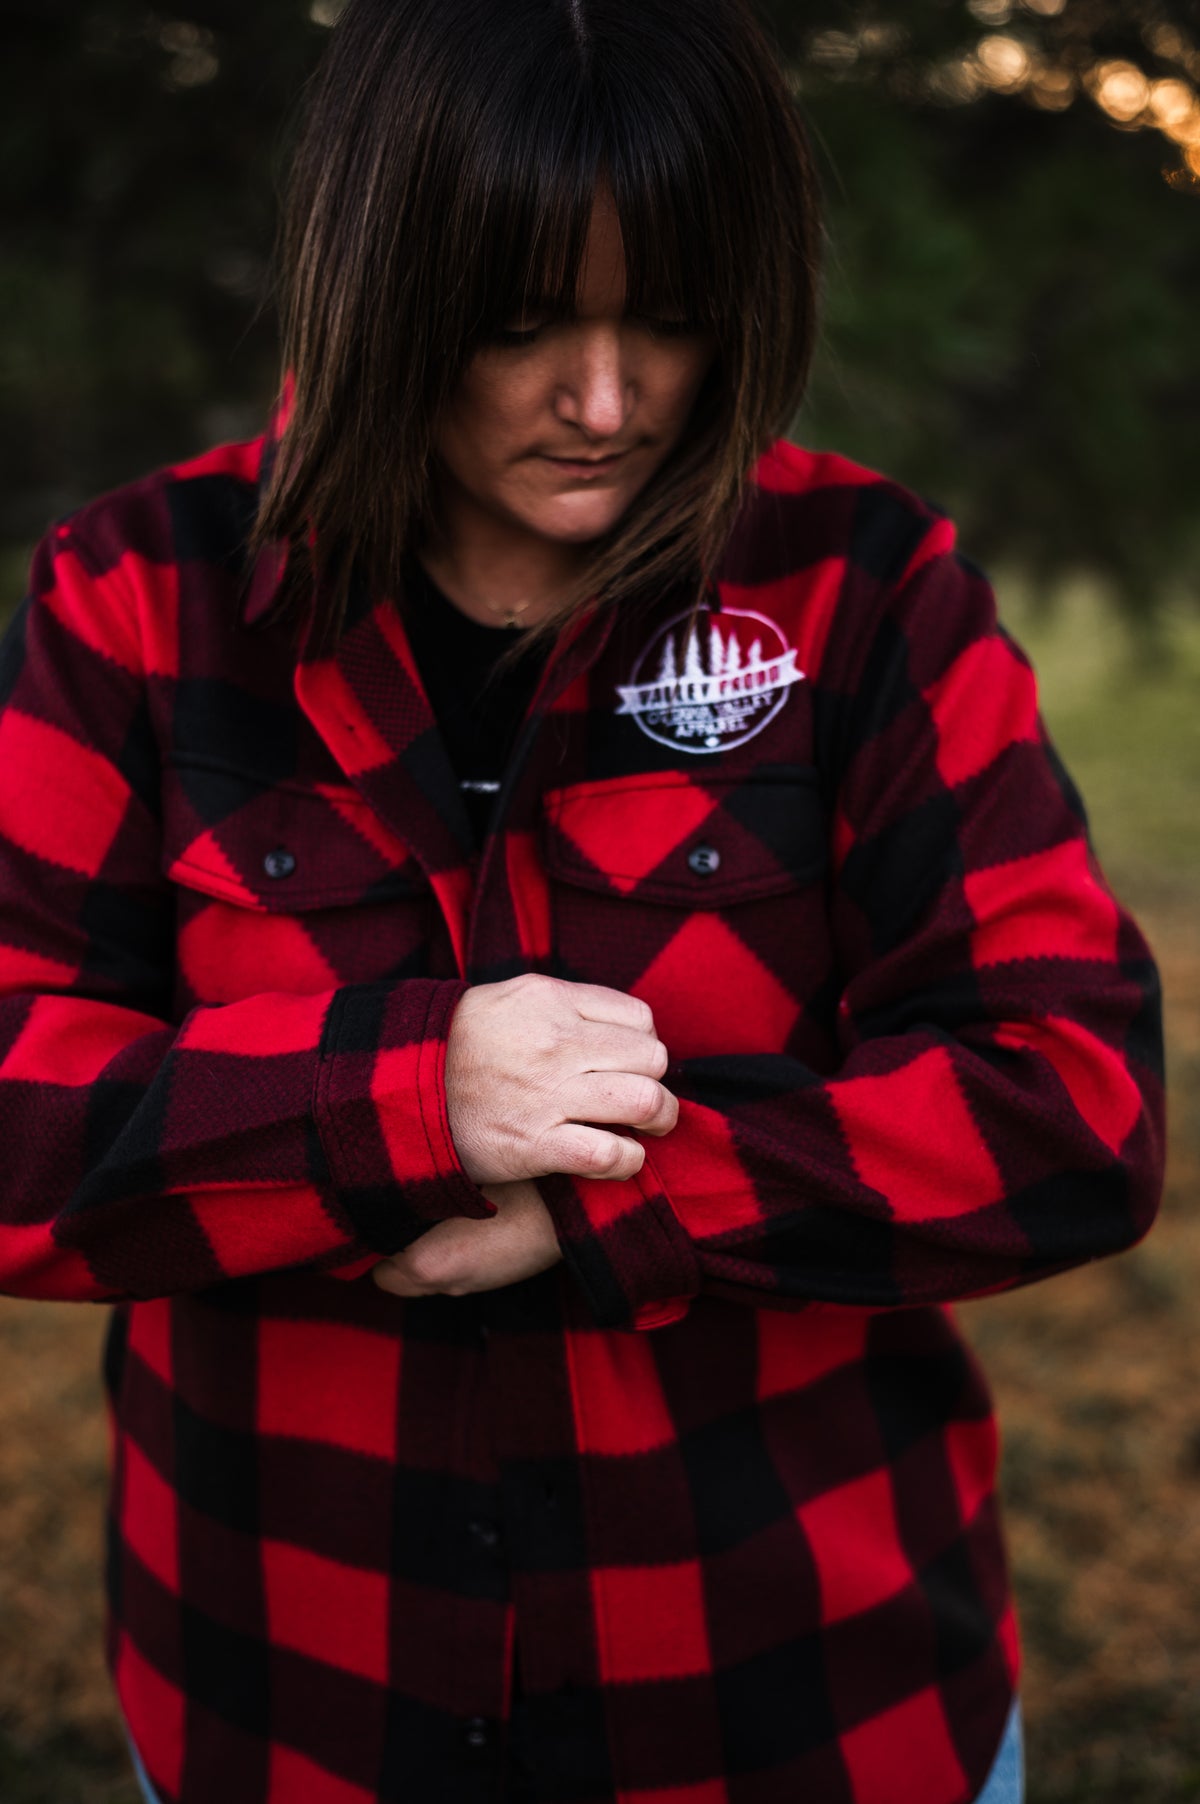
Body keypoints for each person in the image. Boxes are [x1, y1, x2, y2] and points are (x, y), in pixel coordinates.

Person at [0, 1, 1164, 1800]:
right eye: (522, 322)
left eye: (673, 318)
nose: (607, 402)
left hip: (816, 1720)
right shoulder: (139, 604)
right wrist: (401, 1102)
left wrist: (629, 1202)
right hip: (289, 1714)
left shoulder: (866, 587)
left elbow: (1072, 1101)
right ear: (382, 283)